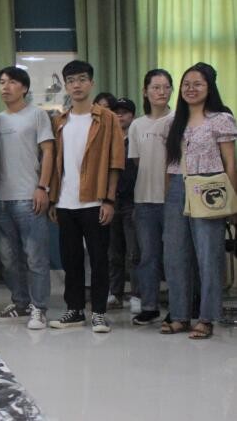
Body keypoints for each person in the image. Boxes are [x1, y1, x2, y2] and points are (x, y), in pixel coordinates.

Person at [47, 60, 124, 333]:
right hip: (65, 202)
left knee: (99, 259)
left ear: (91, 83)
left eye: (81, 79)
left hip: (95, 200)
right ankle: (75, 310)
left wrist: (109, 200)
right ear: (66, 86)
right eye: (71, 81)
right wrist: (53, 199)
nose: (76, 85)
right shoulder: (60, 121)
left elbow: (116, 162)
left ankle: (99, 312)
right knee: (71, 260)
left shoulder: (107, 118)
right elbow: (55, 163)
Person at [161, 62, 236, 339]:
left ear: (209, 88)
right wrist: (168, 193)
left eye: (198, 84)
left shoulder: (221, 119)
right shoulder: (174, 122)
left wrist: (233, 201)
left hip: (209, 188)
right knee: (175, 255)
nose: (190, 89)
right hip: (177, 189)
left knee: (208, 256)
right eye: (186, 84)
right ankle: (180, 315)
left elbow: (230, 163)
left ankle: (206, 318)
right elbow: (170, 163)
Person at [0, 66, 54, 330]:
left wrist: (43, 187)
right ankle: (20, 303)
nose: (5, 87)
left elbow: (48, 152)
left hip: (29, 197)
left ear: (25, 88)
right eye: (2, 82)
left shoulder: (37, 115)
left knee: (35, 257)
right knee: (8, 259)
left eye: (12, 82)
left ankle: (39, 308)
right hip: (0, 199)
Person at [128, 69, 174, 325]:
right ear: (145, 91)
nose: (161, 92)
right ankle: (149, 306)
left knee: (175, 257)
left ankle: (179, 307)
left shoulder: (178, 120)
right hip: (144, 200)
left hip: (173, 201)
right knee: (148, 257)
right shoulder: (137, 125)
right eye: (155, 87)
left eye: (166, 87)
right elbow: (137, 162)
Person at [106, 98, 140, 312]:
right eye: (116, 111)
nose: (120, 115)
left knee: (134, 252)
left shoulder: (137, 139)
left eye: (125, 112)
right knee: (113, 252)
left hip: (133, 202)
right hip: (111, 201)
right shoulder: (107, 140)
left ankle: (137, 294)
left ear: (132, 116)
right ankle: (115, 293)